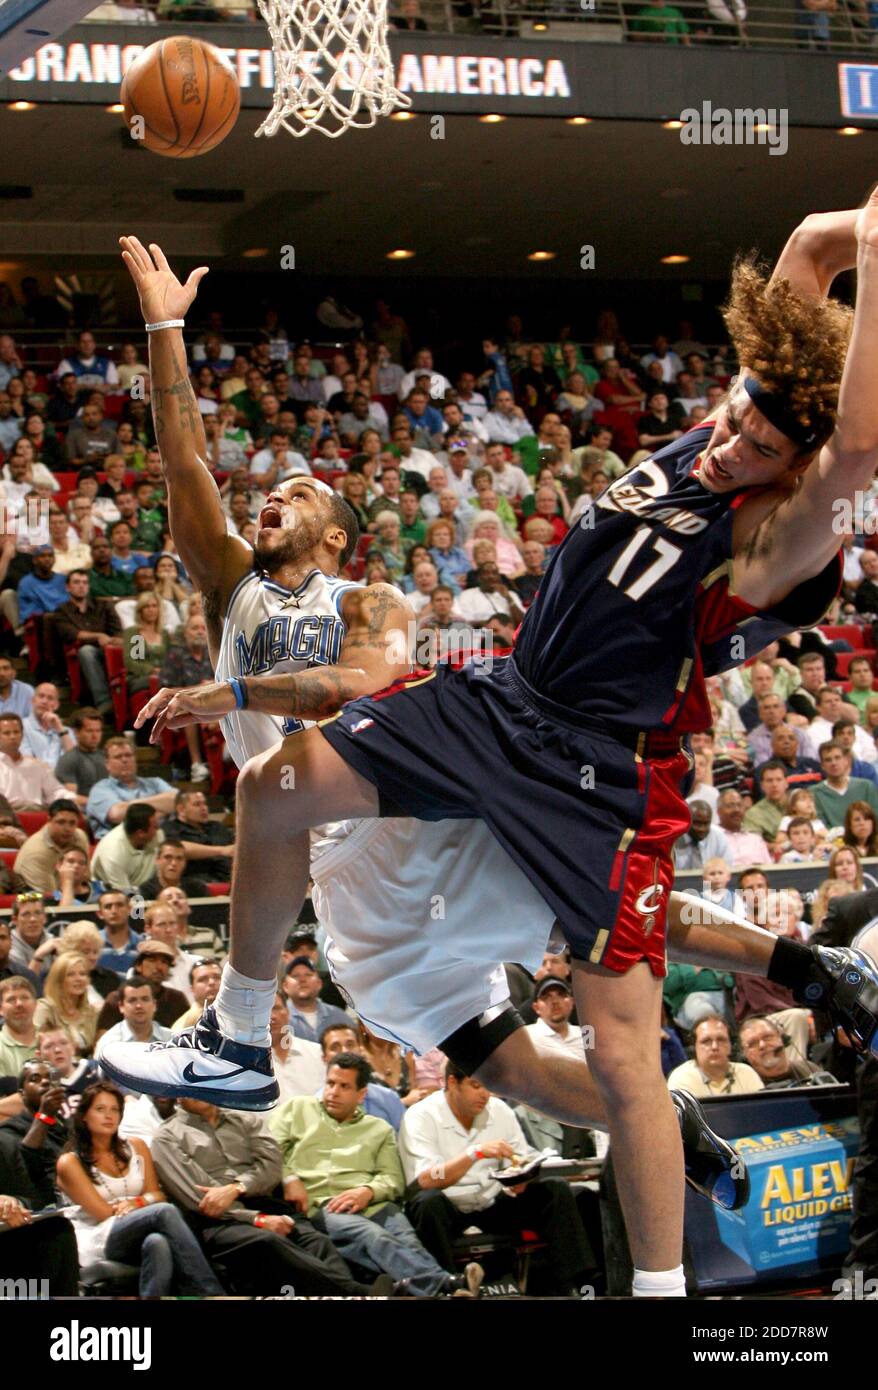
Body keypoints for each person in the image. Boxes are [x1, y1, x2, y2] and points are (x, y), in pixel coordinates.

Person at [105, 233, 878, 1296]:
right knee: (270, 791)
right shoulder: (721, 435)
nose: (727, 431)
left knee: (606, 1034)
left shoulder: (761, 531)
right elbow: (801, 262)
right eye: (733, 406)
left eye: (754, 434)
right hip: (489, 713)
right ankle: (238, 1034)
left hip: (582, 763)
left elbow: (848, 450)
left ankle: (664, 1265)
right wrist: (857, 229)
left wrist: (236, 692)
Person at [269, 1053, 481, 1296]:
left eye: (344, 1086)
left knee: (408, 1240)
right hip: (324, 1205)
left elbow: (393, 1179)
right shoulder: (298, 1109)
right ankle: (447, 1285)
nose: (333, 1092)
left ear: (361, 1095)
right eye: (330, 1083)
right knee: (373, 1236)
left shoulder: (378, 1129)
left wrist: (368, 1191)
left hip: (374, 1203)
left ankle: (442, 1290)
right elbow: (270, 1149)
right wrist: (289, 1178)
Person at [399, 1060, 594, 1296]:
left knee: (556, 1190)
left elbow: (520, 1158)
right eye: (476, 1086)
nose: (485, 1095)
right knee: (427, 1203)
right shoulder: (421, 1116)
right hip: (449, 1204)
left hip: (492, 1199)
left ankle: (576, 1284)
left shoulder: (499, 1110)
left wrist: (521, 1177)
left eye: (488, 1087)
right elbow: (426, 1178)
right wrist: (474, 1154)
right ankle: (450, 1288)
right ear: (452, 1083)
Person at [56, 1082, 224, 1295]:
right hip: (99, 1236)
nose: (109, 1116)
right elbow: (104, 1213)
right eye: (100, 1109)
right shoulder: (69, 1162)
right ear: (84, 1116)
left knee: (158, 1243)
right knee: (165, 1212)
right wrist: (147, 1203)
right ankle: (211, 1293)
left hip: (138, 1228)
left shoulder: (136, 1146)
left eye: (114, 1109)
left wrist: (138, 1202)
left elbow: (158, 1194)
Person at [85, 737, 175, 840]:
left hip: (160, 842)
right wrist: (163, 809)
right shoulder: (100, 789)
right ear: (107, 764)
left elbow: (177, 800)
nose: (124, 760)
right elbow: (116, 814)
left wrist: (128, 806)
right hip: (120, 844)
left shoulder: (155, 783)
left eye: (128, 755)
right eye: (118, 757)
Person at [666, 1016, 764, 1098]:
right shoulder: (681, 1078)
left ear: (731, 1045)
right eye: (706, 1041)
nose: (714, 1047)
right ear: (694, 1047)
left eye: (721, 1040)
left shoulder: (746, 1073)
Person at [12, 797, 89, 894]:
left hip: (70, 893)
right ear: (49, 820)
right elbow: (51, 898)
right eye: (61, 822)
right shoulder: (36, 852)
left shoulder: (80, 837)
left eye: (72, 823)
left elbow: (85, 876)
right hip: (39, 900)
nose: (67, 829)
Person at [33, 952, 98, 1055]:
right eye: (71, 974)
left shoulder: (91, 1011)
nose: (78, 979)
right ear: (58, 980)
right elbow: (37, 1044)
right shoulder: (45, 1008)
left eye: (82, 974)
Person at [90, 802, 163, 892]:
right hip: (110, 894)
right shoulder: (113, 852)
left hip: (147, 891)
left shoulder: (157, 835)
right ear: (140, 833)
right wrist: (141, 904)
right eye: (155, 827)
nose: (159, 828)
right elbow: (124, 894)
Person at [94, 977, 173, 1059]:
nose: (139, 1006)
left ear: (154, 1004)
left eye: (145, 999)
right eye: (132, 1000)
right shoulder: (108, 1045)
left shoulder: (171, 1040)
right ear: (121, 1006)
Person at [737, 1016, 824, 1086]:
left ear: (782, 1038)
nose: (762, 1045)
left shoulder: (808, 1068)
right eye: (753, 1043)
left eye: (768, 1037)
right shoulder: (746, 1085)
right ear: (745, 1054)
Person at [55, 707, 107, 799]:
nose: (95, 736)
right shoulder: (69, 760)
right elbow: (71, 798)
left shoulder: (107, 757)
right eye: (89, 731)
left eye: (98, 731)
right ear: (76, 733)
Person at [0, 976, 38, 1077]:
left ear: (35, 1004)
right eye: (11, 1000)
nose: (19, 1004)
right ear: (1, 1009)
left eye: (24, 998)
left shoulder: (51, 1040)